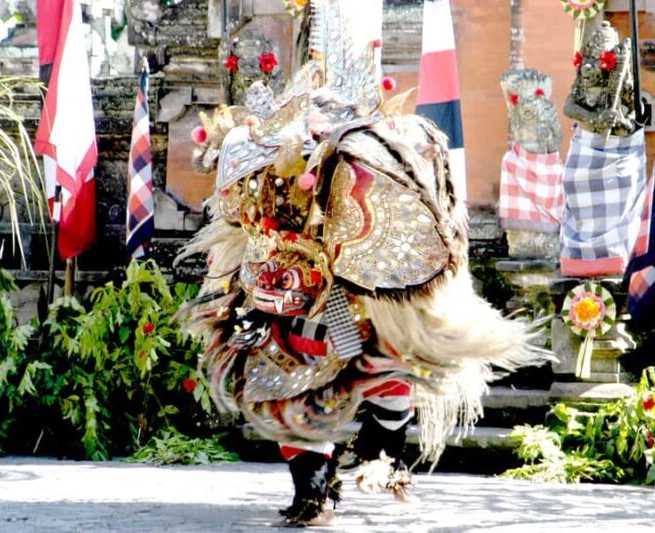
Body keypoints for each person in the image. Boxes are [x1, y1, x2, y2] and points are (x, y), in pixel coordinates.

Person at [176, 0, 549, 525]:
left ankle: (379, 453)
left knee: (384, 370)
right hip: (291, 292)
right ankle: (314, 489)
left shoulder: (370, 169)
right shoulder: (263, 154)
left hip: (350, 289)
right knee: (288, 389)